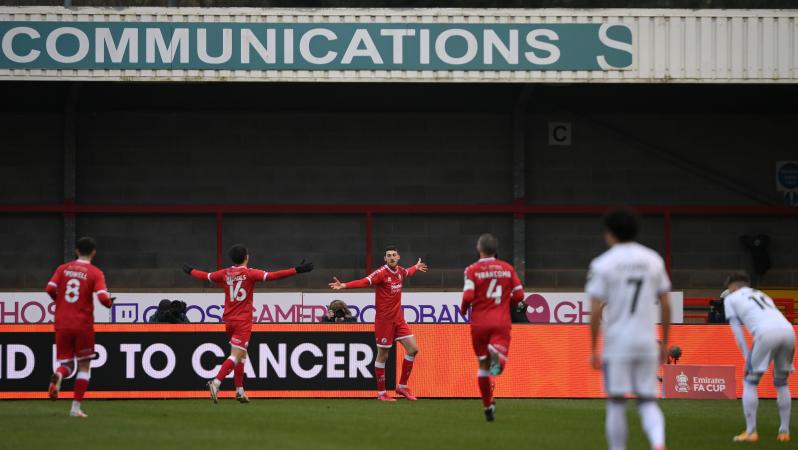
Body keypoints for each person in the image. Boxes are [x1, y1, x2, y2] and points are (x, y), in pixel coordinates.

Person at [183, 244, 313, 404]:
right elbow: (273, 276)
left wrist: (190, 271)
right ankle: (216, 383)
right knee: (236, 355)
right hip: (242, 321)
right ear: (247, 257)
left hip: (228, 320)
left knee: (242, 355)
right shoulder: (250, 273)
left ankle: (239, 391)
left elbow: (206, 276)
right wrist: (297, 270)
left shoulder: (225, 273)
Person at [587, 208, 671, 450]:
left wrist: (593, 348)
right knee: (647, 401)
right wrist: (664, 342)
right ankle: (658, 442)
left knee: (616, 402)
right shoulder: (653, 259)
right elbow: (665, 304)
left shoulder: (603, 263)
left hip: (617, 344)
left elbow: (594, 311)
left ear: (610, 233)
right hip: (646, 341)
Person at [329, 246, 428, 401]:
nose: (392, 258)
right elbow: (364, 282)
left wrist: (415, 267)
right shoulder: (381, 273)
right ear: (385, 259)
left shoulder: (401, 271)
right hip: (384, 321)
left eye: (394, 255)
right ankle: (381, 393)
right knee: (383, 355)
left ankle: (402, 387)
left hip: (399, 320)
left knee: (413, 349)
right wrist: (344, 285)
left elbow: (408, 272)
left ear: (398, 257)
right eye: (388, 256)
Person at [45, 236, 114, 418]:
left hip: (61, 322)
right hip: (82, 324)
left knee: (66, 364)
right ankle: (75, 409)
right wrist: (109, 303)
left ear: (76, 251)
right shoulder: (95, 273)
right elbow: (102, 297)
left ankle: (58, 374)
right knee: (84, 366)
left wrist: (59, 302)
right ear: (93, 252)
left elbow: (50, 288)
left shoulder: (63, 269)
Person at [460, 233, 524, 422]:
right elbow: (519, 295)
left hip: (479, 323)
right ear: (495, 250)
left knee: (483, 367)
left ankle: (488, 406)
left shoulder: (471, 270)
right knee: (499, 364)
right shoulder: (507, 269)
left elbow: (468, 296)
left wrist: (463, 310)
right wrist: (505, 302)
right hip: (500, 322)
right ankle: (497, 353)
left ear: (479, 248)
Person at [723, 271, 794, 443]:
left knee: (750, 381)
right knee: (781, 382)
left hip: (766, 333)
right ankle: (784, 432)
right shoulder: (762, 294)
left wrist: (747, 356)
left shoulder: (730, 299)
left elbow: (737, 331)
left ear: (731, 287)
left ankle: (751, 432)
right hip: (789, 331)